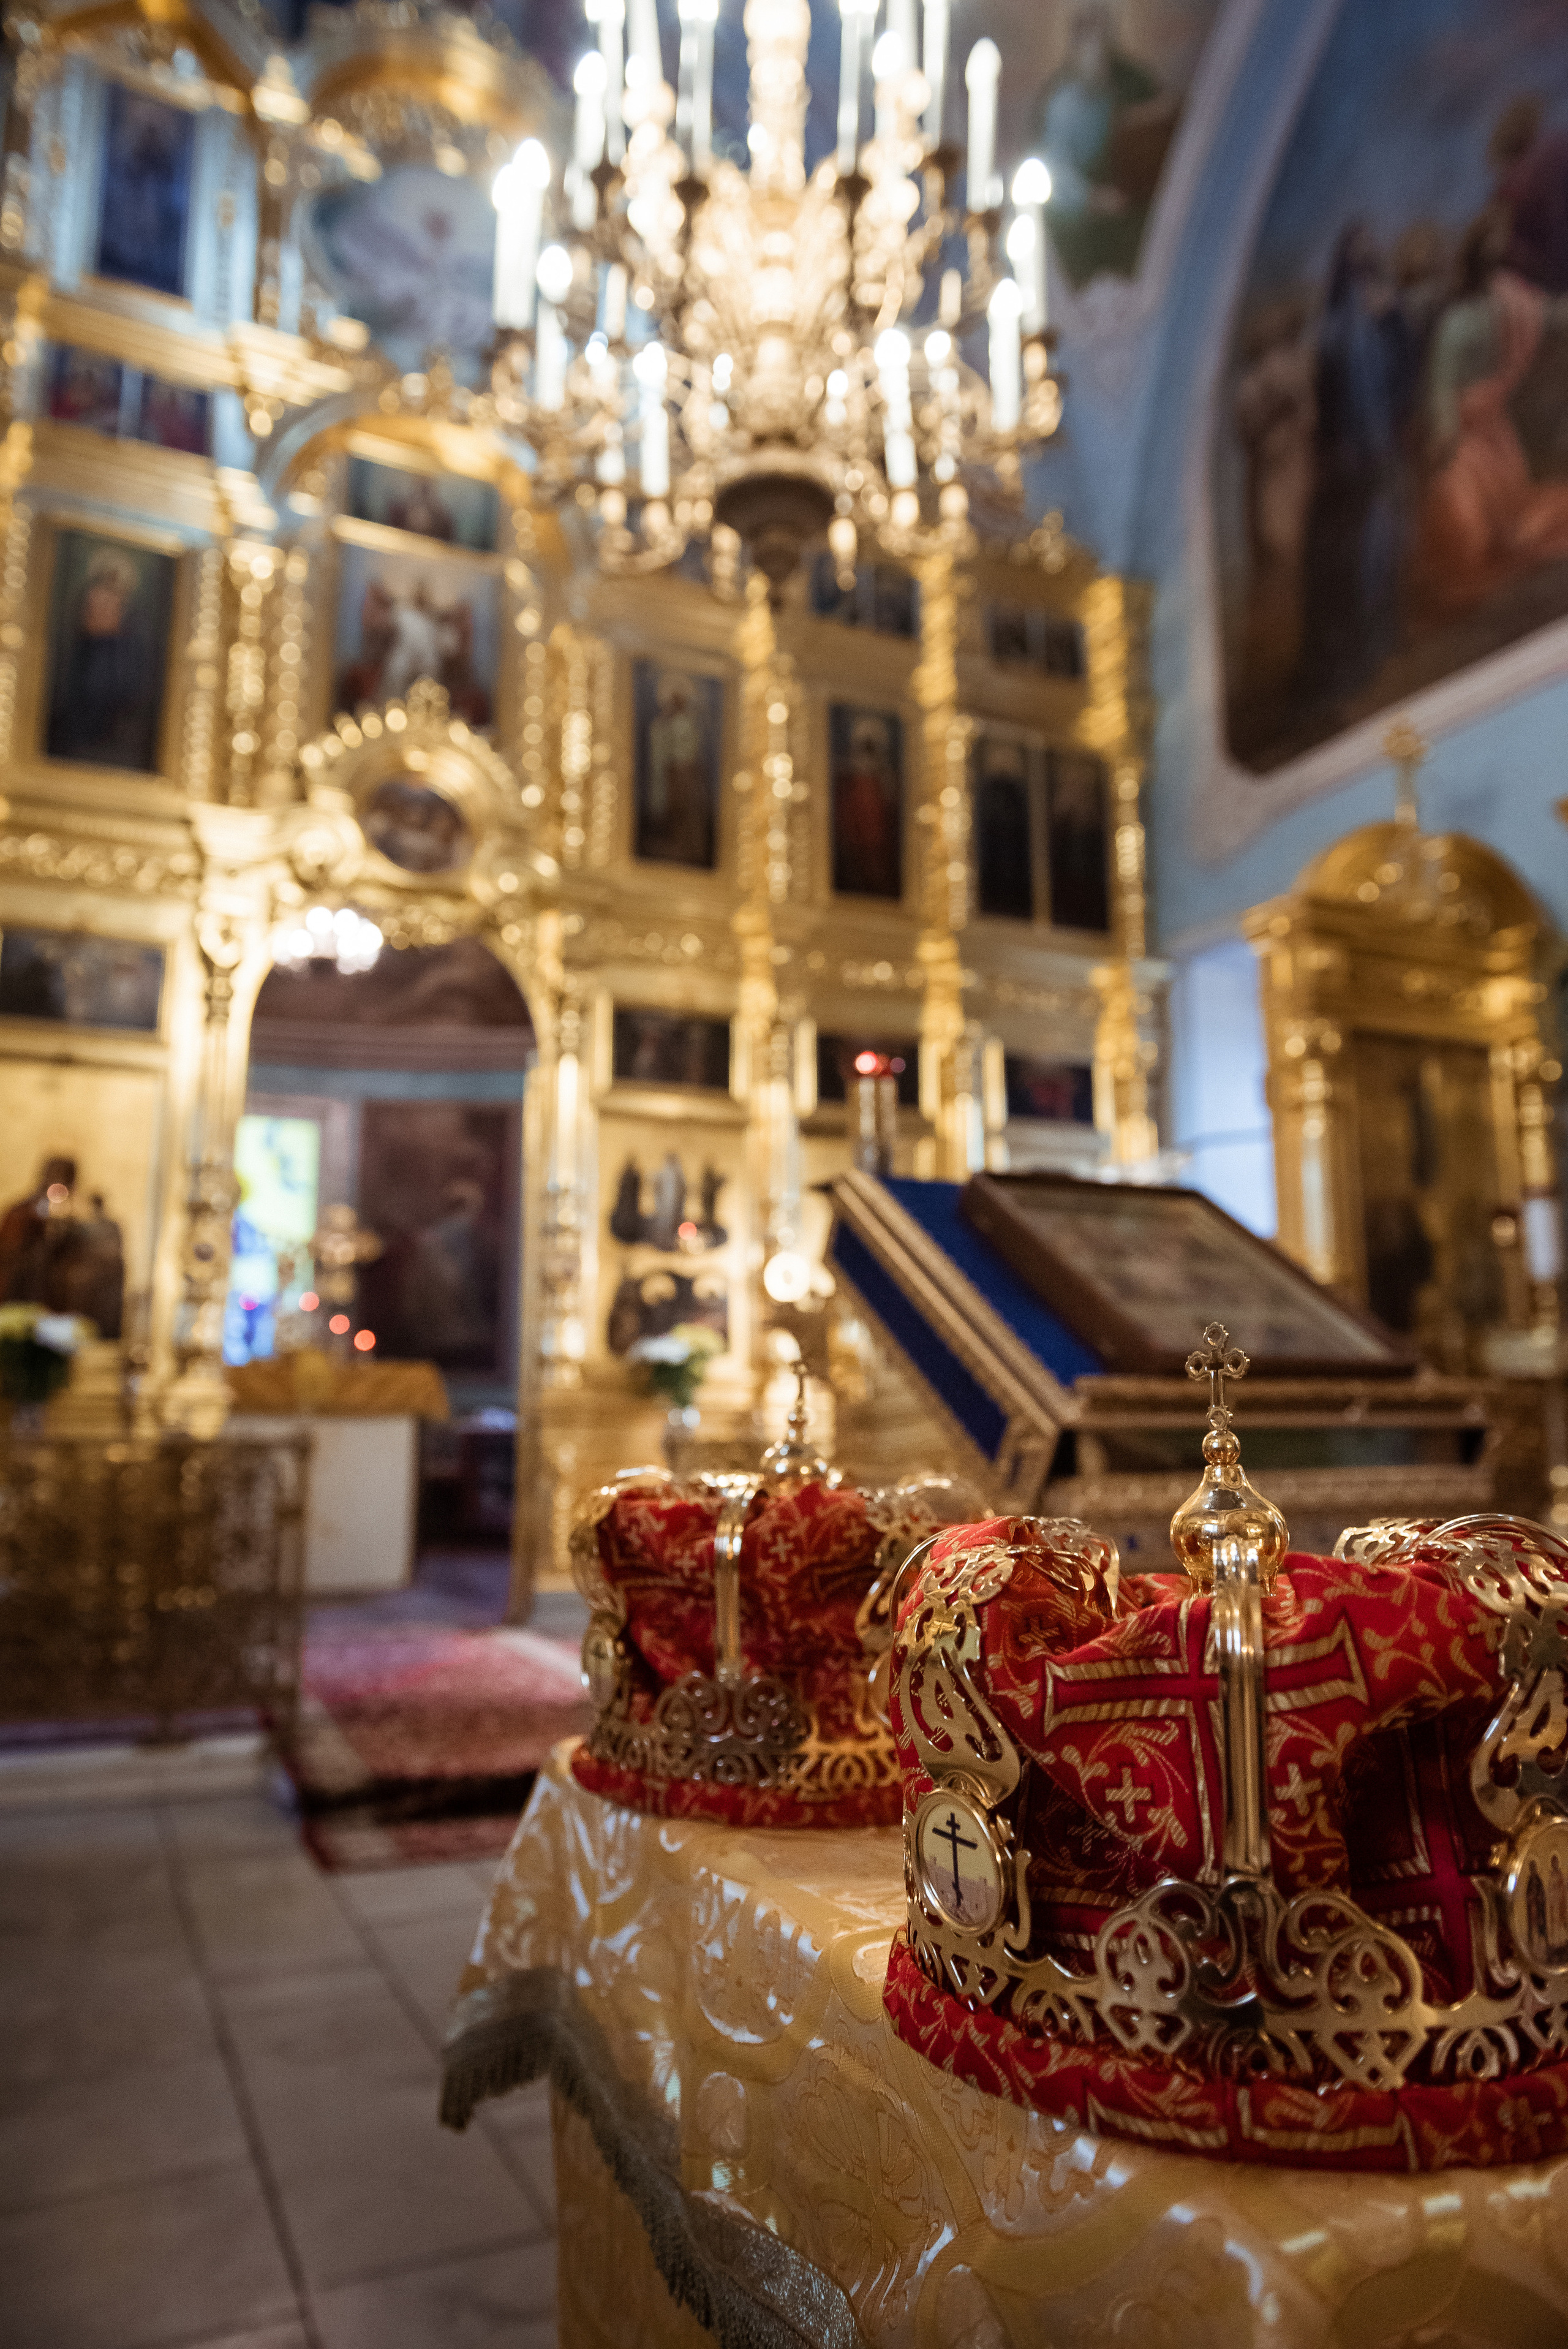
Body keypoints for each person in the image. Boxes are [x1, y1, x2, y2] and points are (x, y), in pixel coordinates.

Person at [1412, 206, 1568, 621]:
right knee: (1469, 513)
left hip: (1485, 431)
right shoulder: (1470, 314)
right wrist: (1445, 434)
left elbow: (1549, 314)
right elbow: (1442, 384)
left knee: (1503, 515)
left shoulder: (1503, 300)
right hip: (1470, 435)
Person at [1295, 222, 1415, 707]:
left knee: (1386, 547)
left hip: (1382, 451)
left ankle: (1382, 636)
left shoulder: (1385, 315)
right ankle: (1354, 652)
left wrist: (1394, 321)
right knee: (1353, 556)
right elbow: (1327, 399)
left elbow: (1405, 368)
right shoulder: (1335, 331)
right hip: (1352, 462)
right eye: (1361, 262)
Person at [1028, 3, 1174, 286]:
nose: (1098, 57)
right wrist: (1094, 199)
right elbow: (1055, 172)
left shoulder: (1127, 85)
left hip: (1131, 199)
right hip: (1084, 215)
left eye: (1103, 42)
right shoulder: (1063, 104)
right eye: (1090, 46)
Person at [47, 548, 163, 769]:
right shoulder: (80, 646)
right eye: (98, 593)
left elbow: (132, 690)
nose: (100, 601)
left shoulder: (131, 642)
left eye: (112, 596)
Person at [639, 672, 713, 865]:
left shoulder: (690, 723)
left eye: (680, 698)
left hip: (687, 775)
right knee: (671, 812)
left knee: (687, 813)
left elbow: (693, 751)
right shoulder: (661, 725)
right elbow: (659, 754)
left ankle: (689, 848)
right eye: (674, 699)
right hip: (669, 775)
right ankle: (671, 843)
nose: (677, 702)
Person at [832, 714, 901, 899]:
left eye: (872, 748)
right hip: (856, 841)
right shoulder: (847, 782)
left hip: (878, 843)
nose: (868, 754)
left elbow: (890, 817)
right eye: (865, 747)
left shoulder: (886, 781)